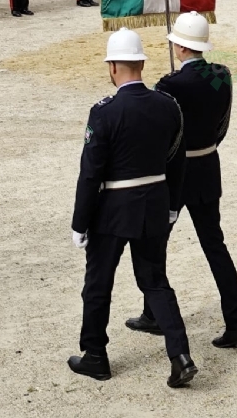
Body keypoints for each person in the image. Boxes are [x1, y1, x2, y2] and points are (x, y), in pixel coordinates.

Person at [68, 29, 196, 388]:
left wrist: (80, 221)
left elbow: (90, 172)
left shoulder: (104, 112)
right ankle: (180, 354)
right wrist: (172, 204)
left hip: (113, 208)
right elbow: (177, 161)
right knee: (155, 281)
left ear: (112, 67)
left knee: (98, 284)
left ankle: (95, 355)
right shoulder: (168, 105)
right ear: (141, 62)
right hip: (155, 201)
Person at [125, 13, 237, 349]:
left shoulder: (170, 84)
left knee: (155, 244)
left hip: (177, 173)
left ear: (179, 46)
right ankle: (236, 322)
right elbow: (222, 125)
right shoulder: (221, 75)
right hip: (208, 163)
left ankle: (154, 312)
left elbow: (164, 132)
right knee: (215, 246)